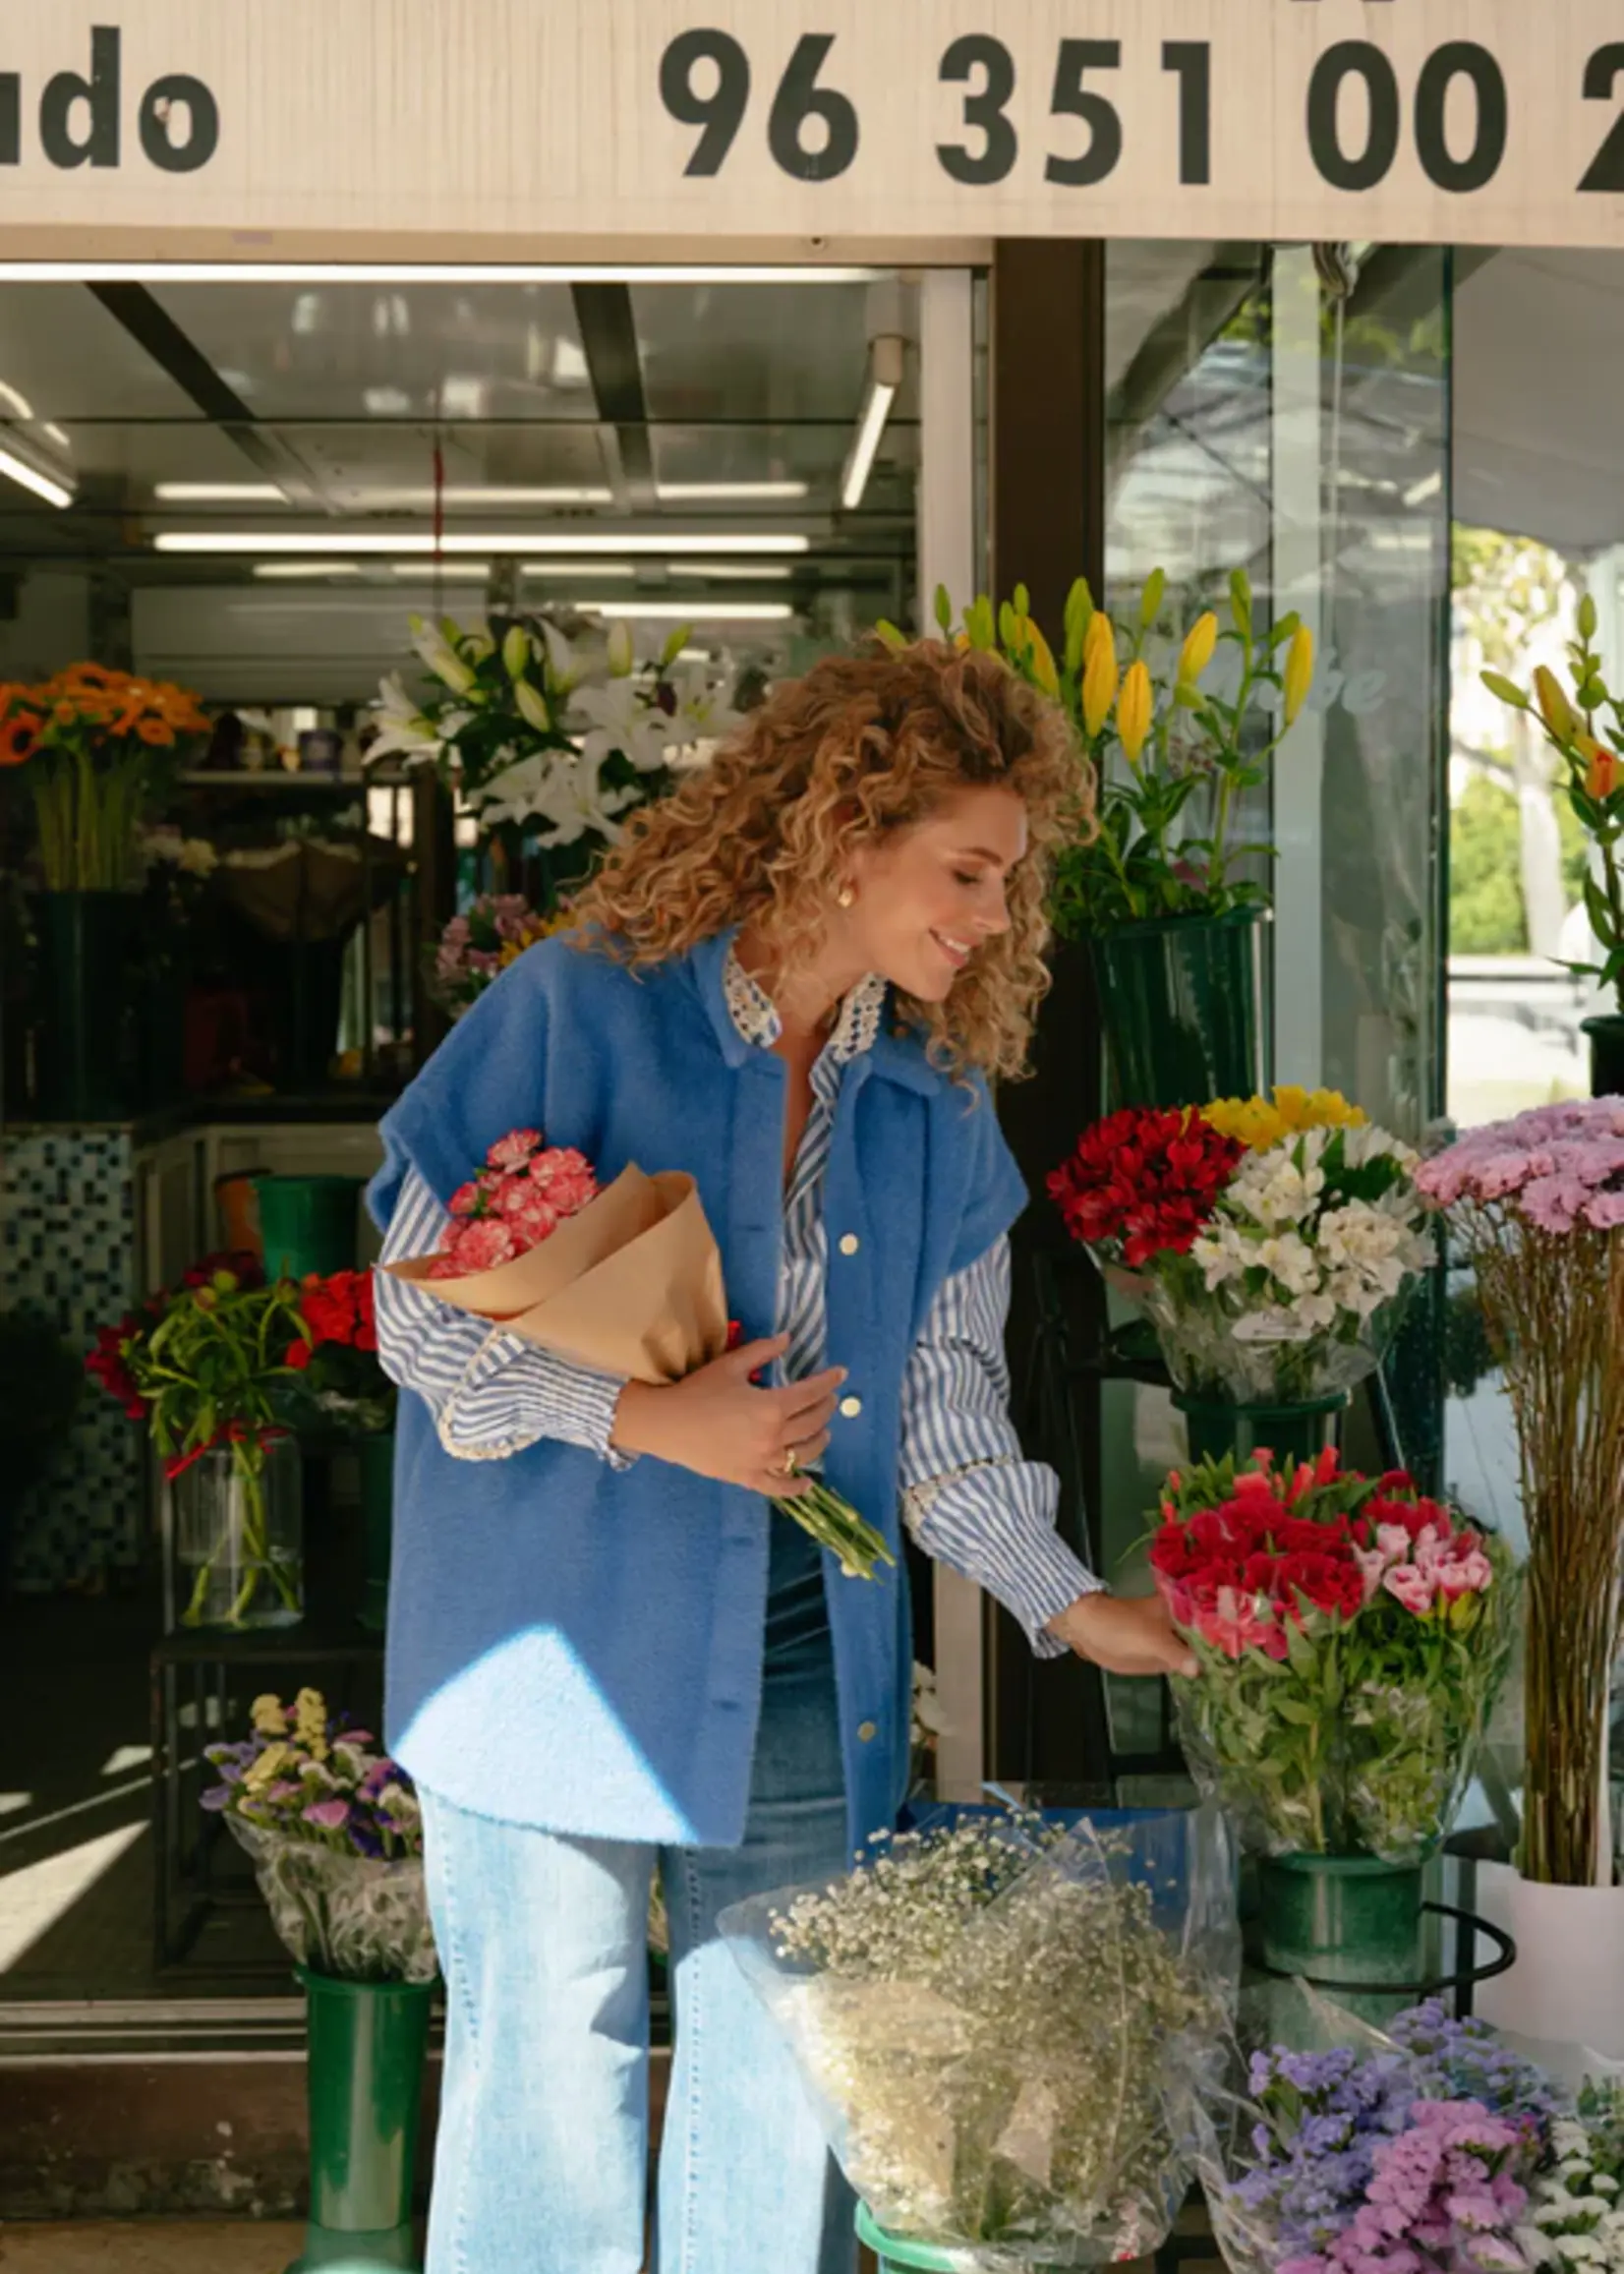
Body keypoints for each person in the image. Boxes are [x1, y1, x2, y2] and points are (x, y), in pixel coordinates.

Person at [369, 640, 1196, 2274]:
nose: (988, 916)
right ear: (840, 833)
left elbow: (945, 1403)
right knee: (553, 2052)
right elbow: (409, 1316)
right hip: (549, 1628)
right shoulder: (575, 1005)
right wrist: (646, 1418)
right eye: (963, 871)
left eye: (1007, 884)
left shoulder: (936, 1096)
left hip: (805, 1650)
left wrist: (1075, 1603)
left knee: (786, 2061)